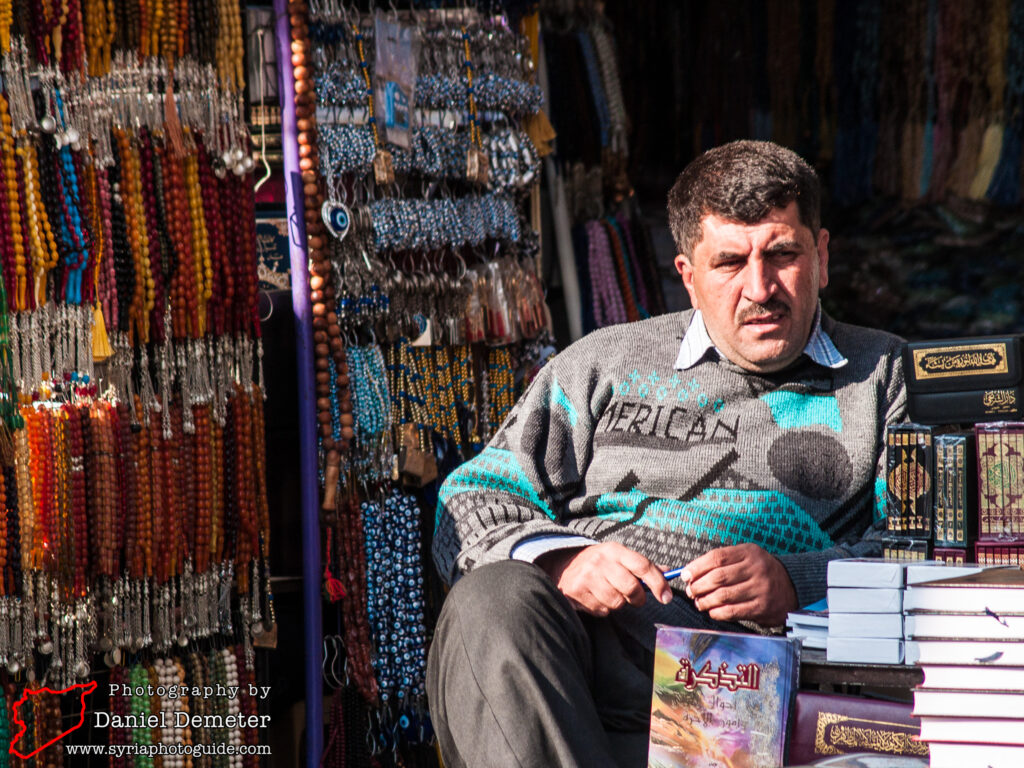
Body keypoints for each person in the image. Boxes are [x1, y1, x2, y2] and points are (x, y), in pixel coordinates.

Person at [427, 140, 906, 768]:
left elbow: (932, 554)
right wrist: (563, 561)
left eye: (783, 254)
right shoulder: (602, 363)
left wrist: (799, 582)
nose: (759, 288)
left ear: (820, 255)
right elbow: (470, 499)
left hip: (758, 695)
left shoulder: (887, 376)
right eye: (730, 262)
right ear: (687, 276)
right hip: (574, 681)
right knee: (492, 601)